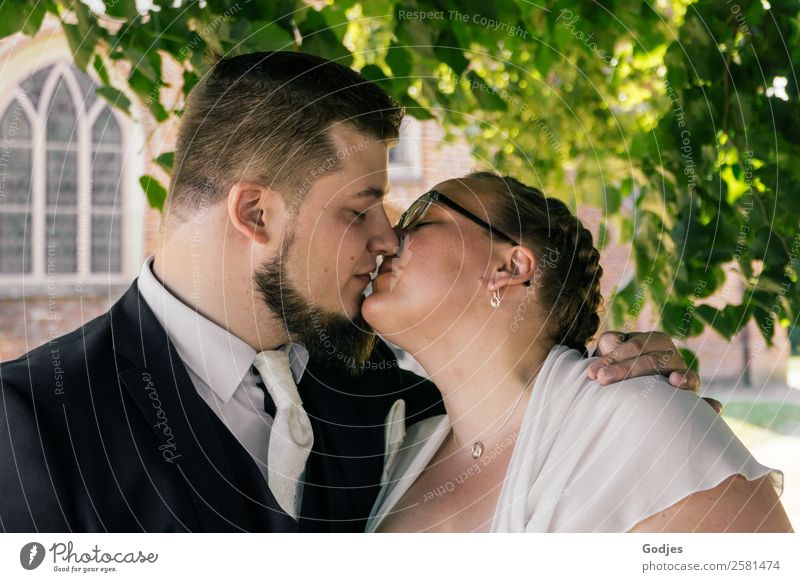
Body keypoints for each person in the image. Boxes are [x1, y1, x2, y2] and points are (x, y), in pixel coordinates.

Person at [0, 52, 703, 533]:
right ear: (257, 215)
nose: (387, 239)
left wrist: (632, 384)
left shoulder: (400, 405)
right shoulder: (31, 420)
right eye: (359, 208)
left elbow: (531, 420)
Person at [363, 172, 792, 533]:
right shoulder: (400, 445)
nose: (385, 239)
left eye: (420, 216)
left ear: (510, 267)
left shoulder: (644, 428)